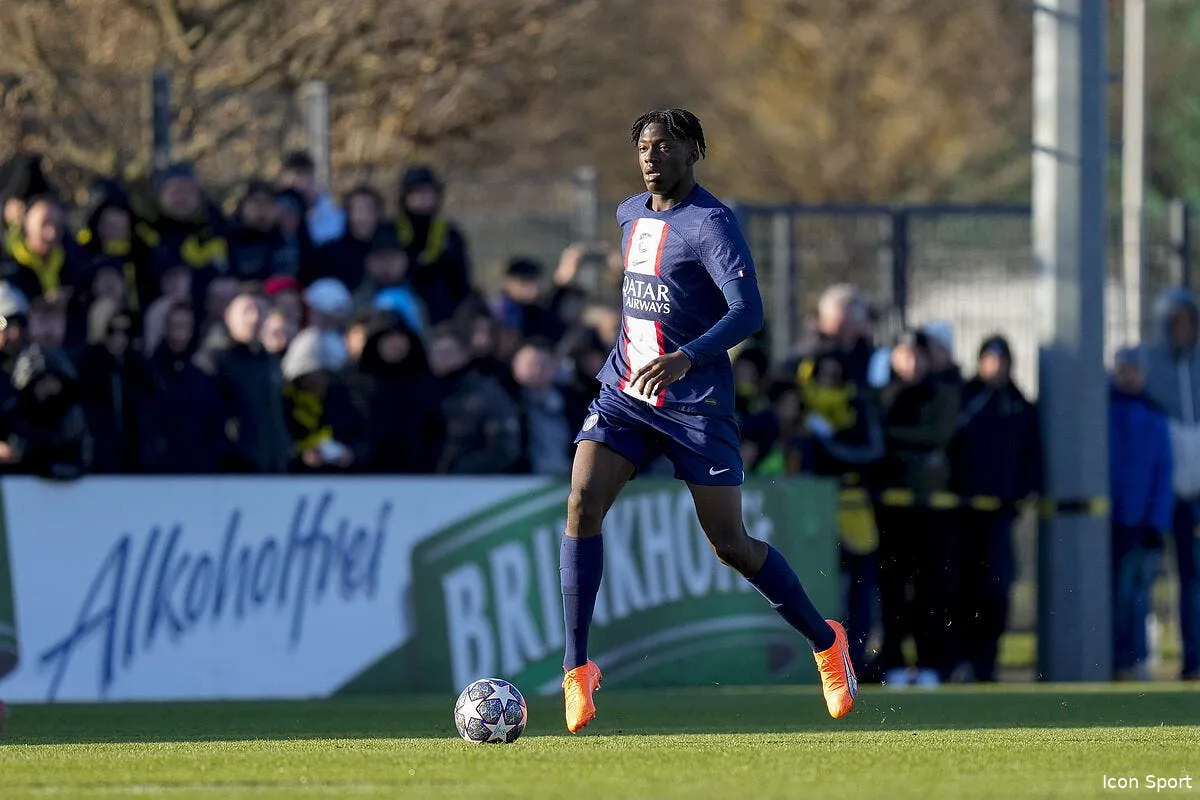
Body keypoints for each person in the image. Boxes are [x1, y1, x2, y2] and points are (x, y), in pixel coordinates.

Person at [558, 109, 856, 735]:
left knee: (731, 545)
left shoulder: (713, 225)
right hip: (625, 395)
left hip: (695, 406)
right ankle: (576, 670)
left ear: (695, 151)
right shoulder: (628, 213)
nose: (651, 156)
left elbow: (749, 314)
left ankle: (826, 642)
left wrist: (688, 355)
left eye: (665, 146)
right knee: (582, 502)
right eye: (643, 146)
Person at [949, 335, 1041, 682]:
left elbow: (1033, 458)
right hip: (961, 516)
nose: (997, 366)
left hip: (1001, 518)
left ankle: (986, 662)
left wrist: (1020, 496)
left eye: (1002, 360)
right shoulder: (966, 398)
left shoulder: (1019, 405)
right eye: (990, 358)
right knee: (960, 587)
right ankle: (959, 660)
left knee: (996, 588)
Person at [875, 330, 961, 687]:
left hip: (930, 510)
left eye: (917, 356)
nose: (911, 364)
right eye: (903, 355)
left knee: (930, 588)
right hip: (890, 511)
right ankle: (894, 661)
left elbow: (936, 436)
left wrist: (893, 439)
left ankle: (929, 663)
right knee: (892, 587)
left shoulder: (942, 394)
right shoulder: (881, 395)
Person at [1141, 286, 1200, 681]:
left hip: (1195, 496)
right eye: (1175, 322)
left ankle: (1193, 658)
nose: (1183, 330)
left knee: (1192, 578)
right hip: (1158, 495)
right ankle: (1136, 658)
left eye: (1189, 322)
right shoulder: (1149, 366)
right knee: (1144, 574)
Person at [1109, 346, 1173, 681]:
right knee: (1116, 596)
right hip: (1111, 521)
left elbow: (1164, 474)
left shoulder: (1154, 416)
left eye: (1135, 370)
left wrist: (1157, 521)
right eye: (1124, 370)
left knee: (1137, 595)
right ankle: (1117, 659)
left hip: (1143, 523)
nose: (1130, 376)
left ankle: (1136, 660)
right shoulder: (1103, 411)